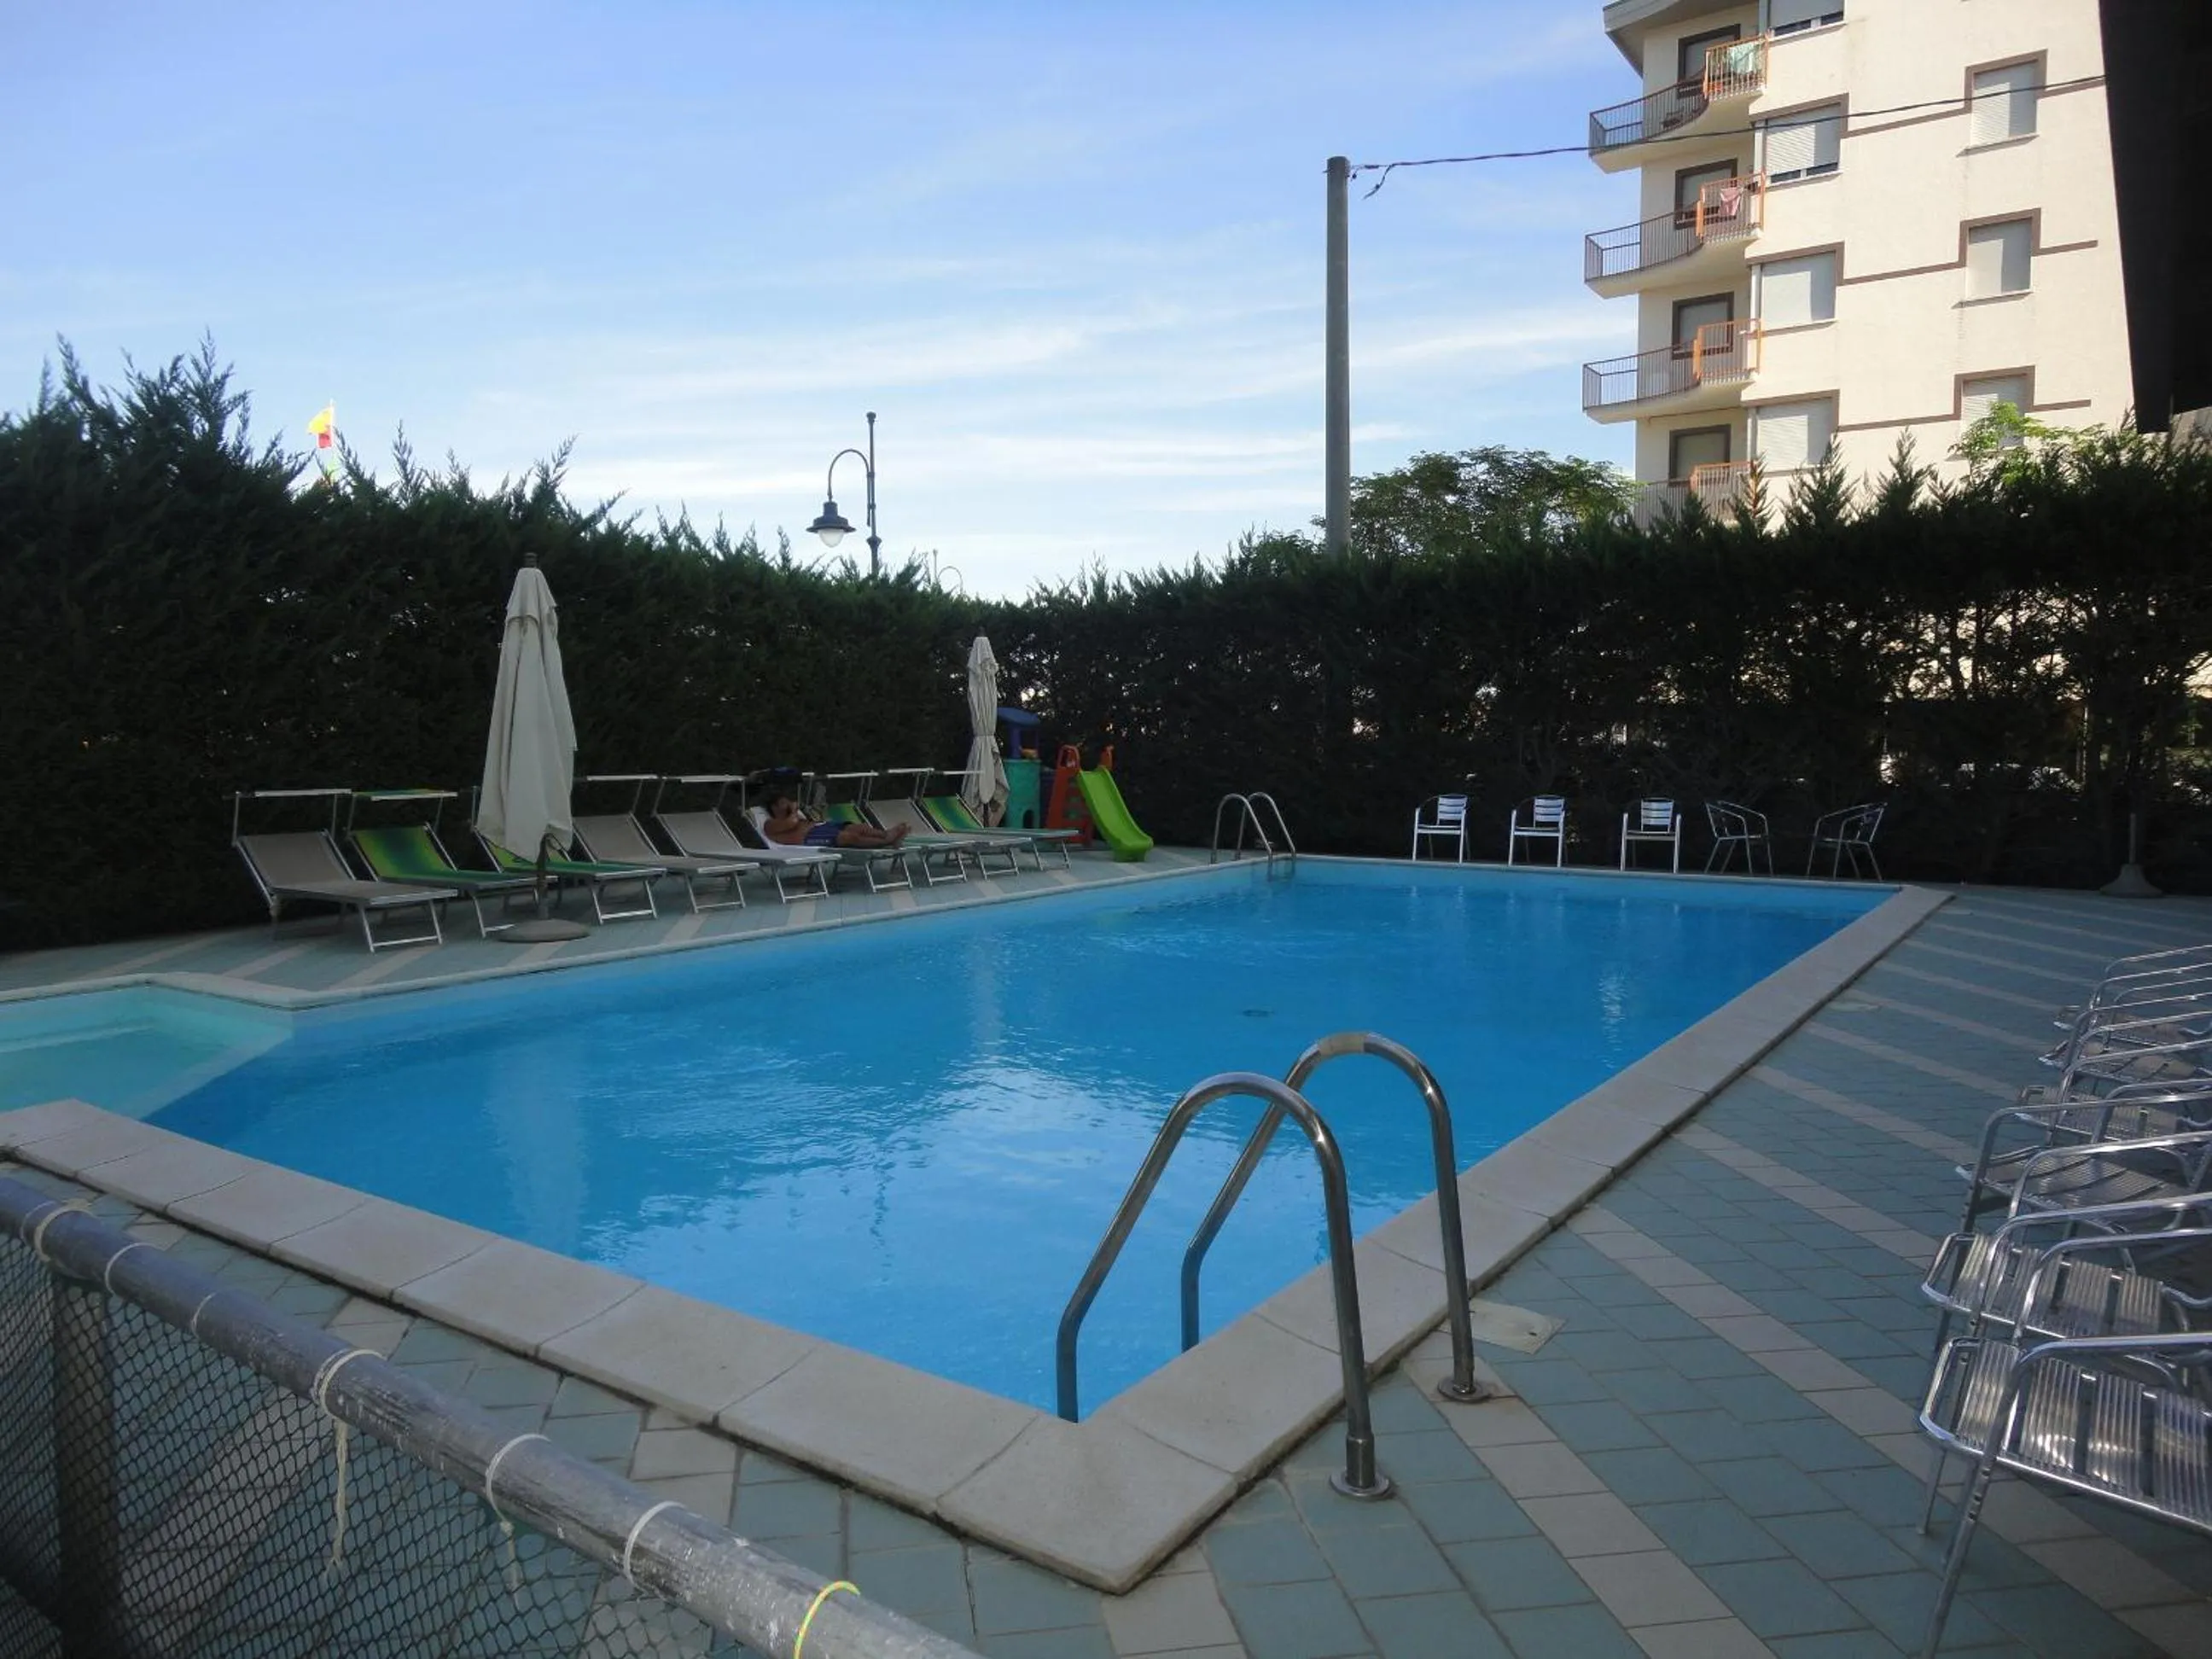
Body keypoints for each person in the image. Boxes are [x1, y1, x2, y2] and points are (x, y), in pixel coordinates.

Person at [760, 794, 908, 849]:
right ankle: (888, 842)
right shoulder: (771, 824)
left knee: (860, 827)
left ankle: (885, 835)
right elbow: (791, 824)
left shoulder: (793, 816)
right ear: (774, 807)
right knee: (849, 838)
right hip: (809, 838)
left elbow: (807, 821)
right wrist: (794, 810)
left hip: (820, 828)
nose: (789, 804)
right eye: (784, 803)